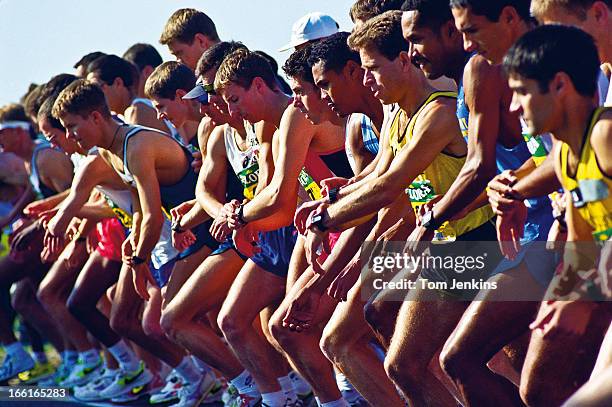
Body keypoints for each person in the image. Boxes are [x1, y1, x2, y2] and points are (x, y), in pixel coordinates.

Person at [53, 80, 213, 404]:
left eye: (72, 127)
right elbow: (140, 213)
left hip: (202, 234)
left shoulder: (135, 143)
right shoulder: (114, 151)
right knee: (176, 322)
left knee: (180, 321)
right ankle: (210, 380)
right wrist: (134, 244)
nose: (69, 136)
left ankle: (247, 385)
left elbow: (153, 215)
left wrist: (139, 260)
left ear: (96, 117)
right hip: (175, 241)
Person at [503, 24, 612, 406]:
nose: (513, 107)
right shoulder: (566, 156)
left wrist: (581, 297)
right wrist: (562, 293)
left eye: (521, 93)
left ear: (560, 85)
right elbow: (583, 245)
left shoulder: (606, 133)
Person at [0, 108, 73, 382]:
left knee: (58, 296)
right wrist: (13, 218)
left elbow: (77, 194)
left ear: (19, 131)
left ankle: (85, 357)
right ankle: (70, 357)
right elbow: (34, 194)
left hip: (61, 240)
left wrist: (34, 226)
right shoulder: (31, 159)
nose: (0, 141)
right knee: (25, 299)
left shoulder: (46, 156)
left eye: (2, 133)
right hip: (40, 240)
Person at [86, 54, 168, 131]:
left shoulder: (137, 110)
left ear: (118, 83)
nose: (93, 97)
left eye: (97, 88)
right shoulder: (132, 111)